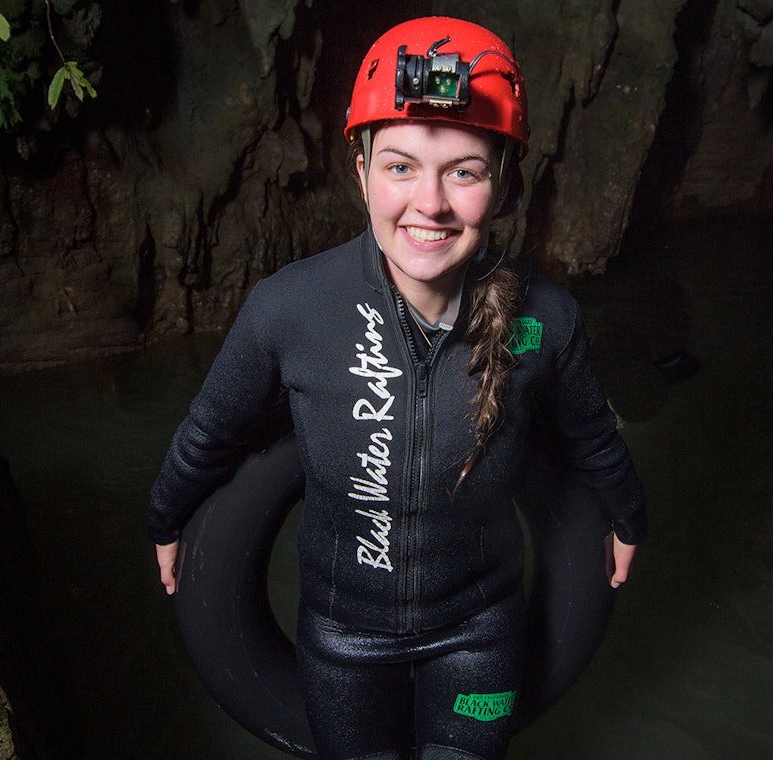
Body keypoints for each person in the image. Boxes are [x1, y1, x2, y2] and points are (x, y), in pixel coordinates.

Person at [147, 16, 646, 760]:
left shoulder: (547, 320)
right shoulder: (290, 309)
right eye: (401, 166)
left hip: (482, 634)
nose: (431, 204)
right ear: (361, 171)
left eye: (465, 171)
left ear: (503, 182)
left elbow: (591, 435)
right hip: (342, 641)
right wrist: (167, 517)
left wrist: (629, 517)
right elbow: (210, 429)